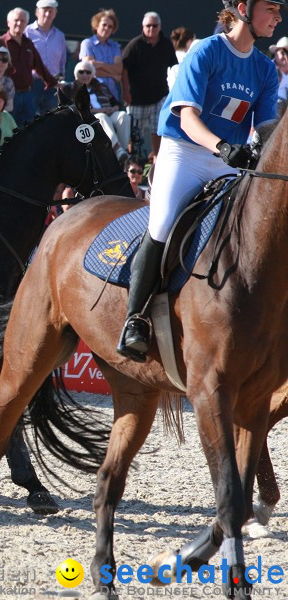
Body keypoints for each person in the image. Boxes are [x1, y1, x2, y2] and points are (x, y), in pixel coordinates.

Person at [117, 0, 282, 362]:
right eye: (271, 8)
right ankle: (135, 320)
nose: (278, 16)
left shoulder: (265, 69)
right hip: (184, 152)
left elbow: (267, 128)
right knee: (161, 226)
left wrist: (254, 151)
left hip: (229, 159)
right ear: (243, 8)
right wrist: (223, 148)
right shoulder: (204, 51)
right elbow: (188, 116)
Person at [122, 12, 178, 159]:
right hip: (137, 98)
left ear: (160, 27)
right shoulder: (135, 45)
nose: (151, 28)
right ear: (143, 27)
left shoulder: (166, 44)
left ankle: (156, 162)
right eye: (148, 25)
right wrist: (125, 92)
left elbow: (174, 68)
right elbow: (124, 70)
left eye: (154, 25)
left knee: (158, 130)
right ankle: (133, 162)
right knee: (134, 133)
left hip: (160, 96)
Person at [0, 7, 57, 126]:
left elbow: (39, 66)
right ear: (8, 23)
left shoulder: (28, 43)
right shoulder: (0, 43)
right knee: (7, 129)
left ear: (26, 24)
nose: (19, 23)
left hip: (27, 95)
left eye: (23, 21)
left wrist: (53, 83)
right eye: (16, 20)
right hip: (7, 96)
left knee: (26, 131)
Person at [65, 60, 131, 164]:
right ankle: (117, 149)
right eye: (81, 72)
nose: (85, 75)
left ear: (93, 74)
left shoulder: (101, 86)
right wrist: (101, 110)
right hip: (90, 118)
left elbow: (116, 102)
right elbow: (77, 108)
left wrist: (114, 108)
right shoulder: (72, 88)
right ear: (76, 74)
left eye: (88, 72)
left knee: (124, 116)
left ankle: (124, 152)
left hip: (109, 114)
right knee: (101, 116)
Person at [26, 0, 66, 116]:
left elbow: (62, 61)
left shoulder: (59, 36)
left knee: (51, 121)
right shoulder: (27, 32)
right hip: (33, 83)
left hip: (53, 85)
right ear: (37, 12)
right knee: (30, 120)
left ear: (55, 14)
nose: (47, 14)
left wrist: (61, 80)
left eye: (51, 11)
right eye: (45, 11)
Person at [80, 9, 123, 103]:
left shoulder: (115, 46)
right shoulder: (87, 43)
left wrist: (100, 65)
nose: (107, 28)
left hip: (113, 95)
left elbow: (119, 69)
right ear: (96, 25)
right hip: (93, 96)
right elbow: (89, 71)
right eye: (104, 25)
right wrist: (112, 74)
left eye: (110, 26)